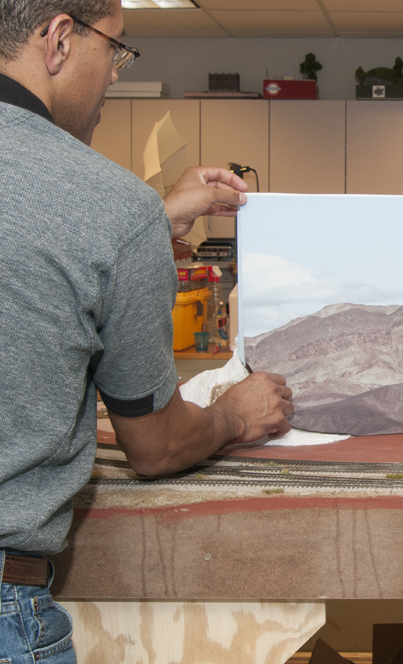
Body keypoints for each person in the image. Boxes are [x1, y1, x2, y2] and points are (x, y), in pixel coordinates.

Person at [0, 1, 294, 660]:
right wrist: (230, 416)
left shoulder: (122, 216)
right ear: (57, 39)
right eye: (115, 47)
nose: (114, 73)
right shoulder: (111, 206)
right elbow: (156, 448)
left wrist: (150, 226)